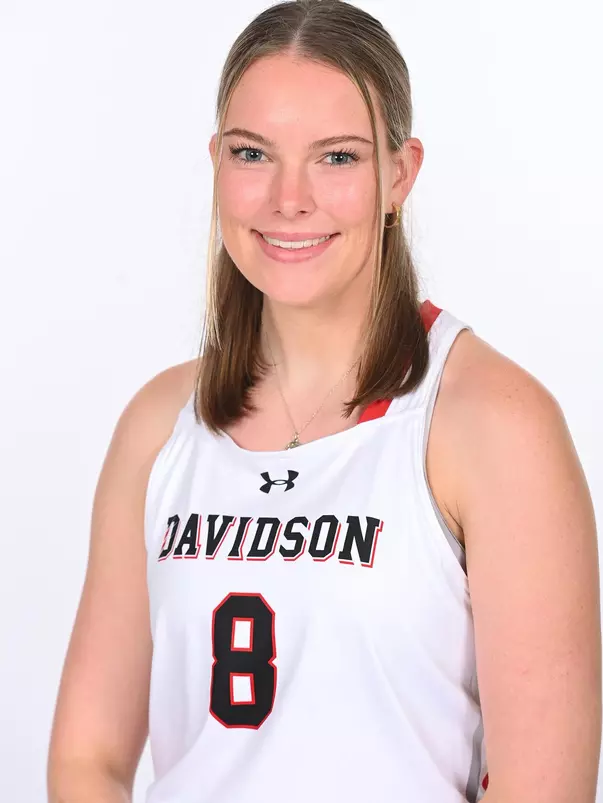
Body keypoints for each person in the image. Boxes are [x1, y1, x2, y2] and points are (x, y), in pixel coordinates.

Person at [47, 1, 601, 801]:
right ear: (216, 162)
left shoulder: (492, 424)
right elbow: (87, 757)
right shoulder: (158, 426)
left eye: (336, 158)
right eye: (252, 153)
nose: (288, 198)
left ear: (398, 174)